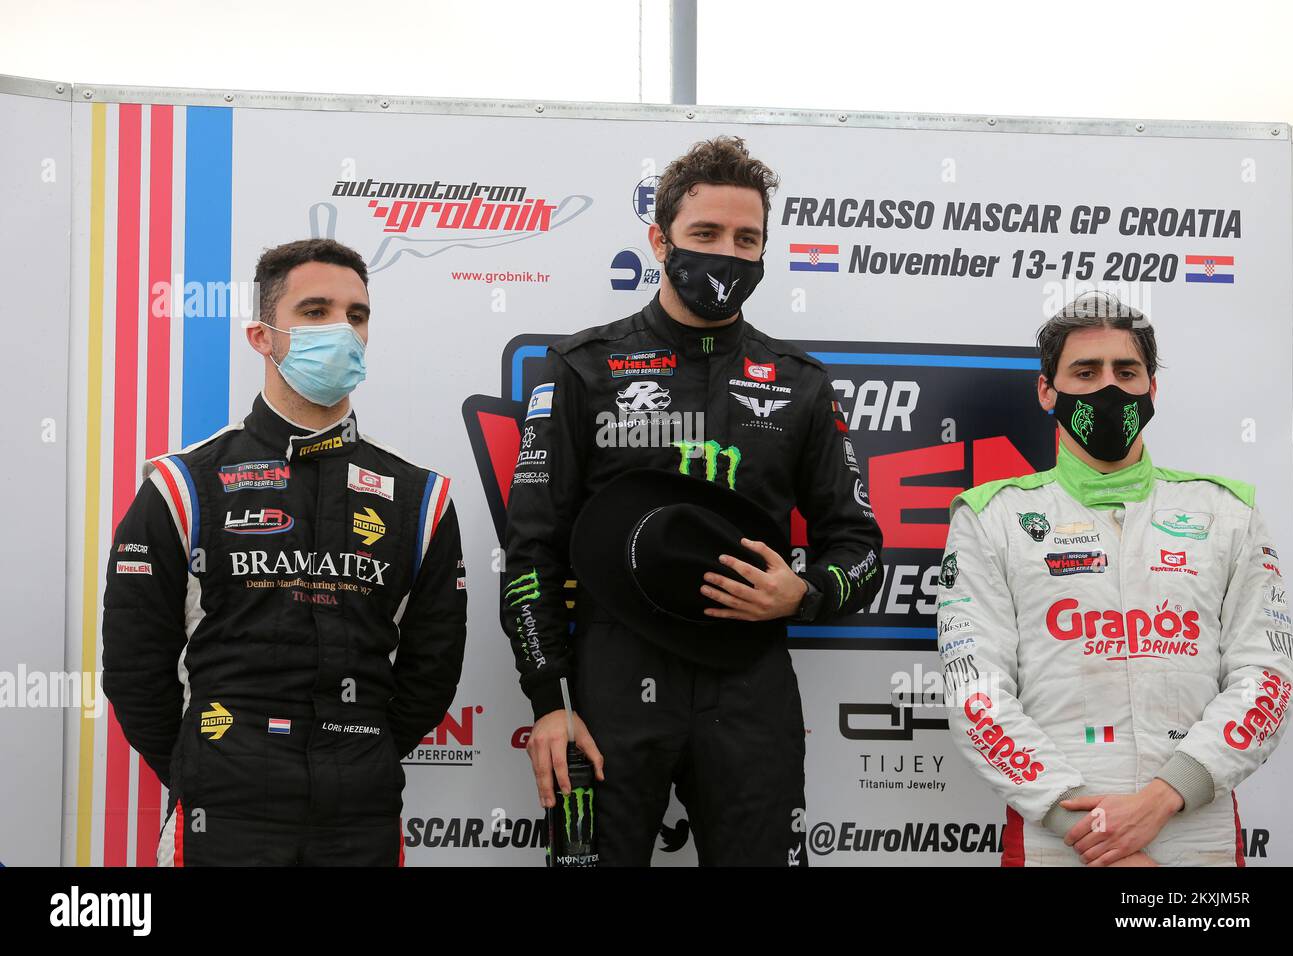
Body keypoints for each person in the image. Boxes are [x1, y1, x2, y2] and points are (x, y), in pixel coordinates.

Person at [501, 136, 884, 866]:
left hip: (750, 683)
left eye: (747, 239)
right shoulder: (583, 368)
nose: (726, 255)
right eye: (704, 234)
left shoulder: (800, 381)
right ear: (659, 238)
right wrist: (548, 701)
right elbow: (531, 552)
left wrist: (802, 594)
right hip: (610, 680)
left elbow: (859, 544)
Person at [102, 238, 467, 866]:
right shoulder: (184, 485)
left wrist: (359, 755)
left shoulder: (418, 496)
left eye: (356, 315)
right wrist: (212, 767)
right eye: (315, 311)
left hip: (361, 818)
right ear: (261, 337)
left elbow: (431, 672)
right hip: (223, 817)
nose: (341, 330)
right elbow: (135, 671)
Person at [939, 290, 1293, 866]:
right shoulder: (990, 519)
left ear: (1152, 389)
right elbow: (976, 694)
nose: (1108, 387)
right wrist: (1098, 834)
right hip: (1056, 839)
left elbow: (1267, 679)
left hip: (1196, 836)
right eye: (1085, 371)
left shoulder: (1228, 513)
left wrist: (1164, 796)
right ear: (1046, 391)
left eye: (1126, 371)